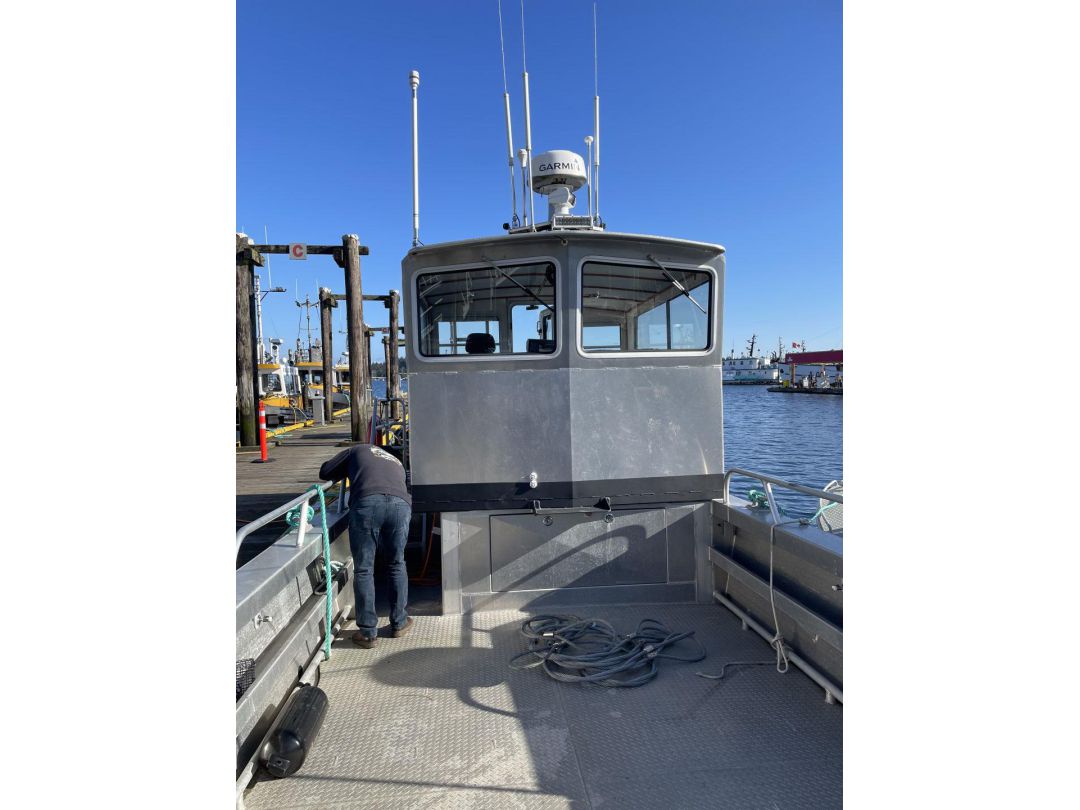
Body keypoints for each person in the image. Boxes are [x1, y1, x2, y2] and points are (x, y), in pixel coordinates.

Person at [319, 444, 413, 648]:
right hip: (401, 505)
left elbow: (325, 471)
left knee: (364, 569)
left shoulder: (357, 450)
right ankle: (399, 622)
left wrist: (348, 469)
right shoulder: (396, 461)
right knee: (396, 563)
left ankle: (368, 632)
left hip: (367, 502)